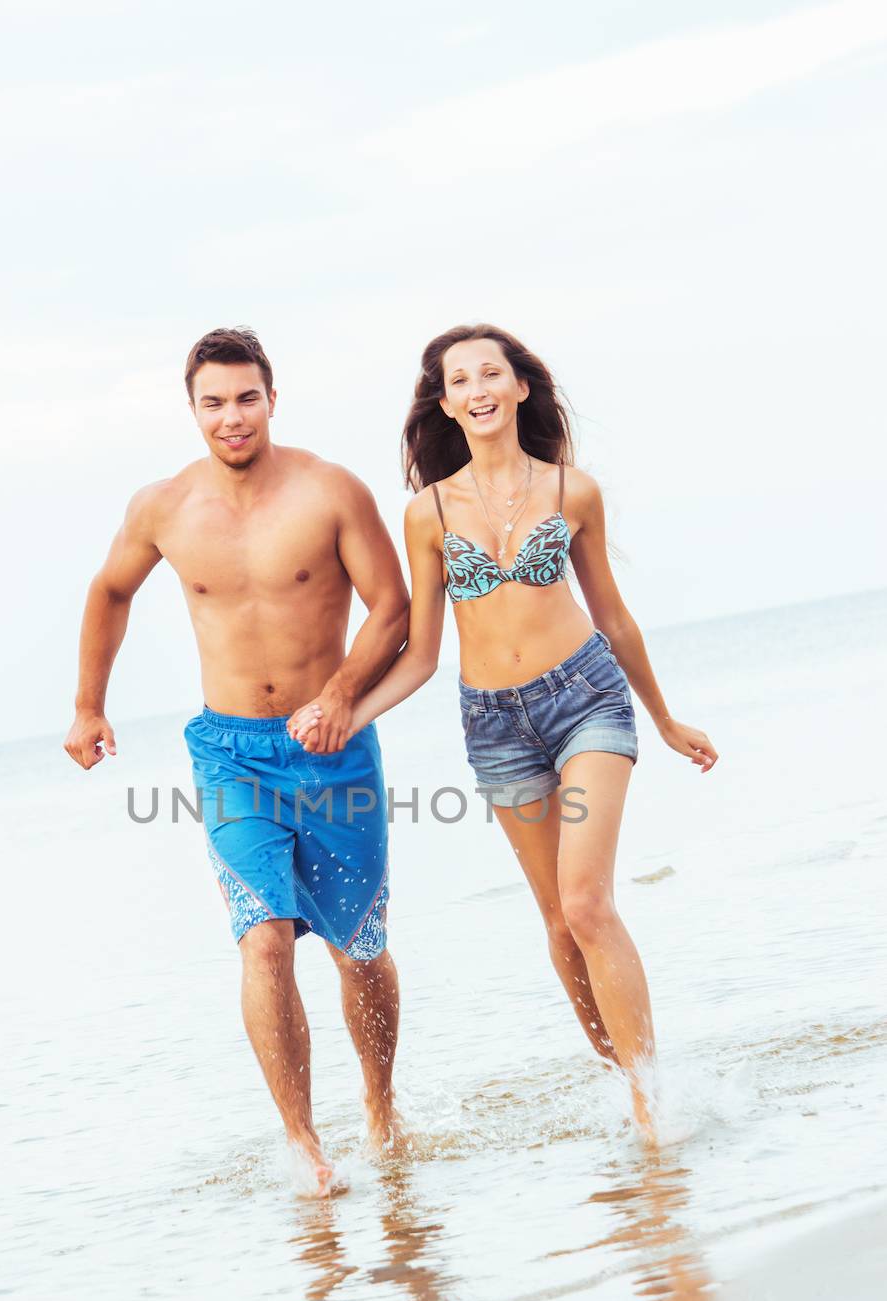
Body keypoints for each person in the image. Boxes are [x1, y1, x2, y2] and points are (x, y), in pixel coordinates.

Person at [289, 323, 718, 1137]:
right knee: (557, 921)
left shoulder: (572, 491)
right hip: (495, 725)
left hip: (585, 698)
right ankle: (618, 1078)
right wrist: (349, 713)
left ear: (520, 387)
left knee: (587, 903)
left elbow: (613, 618)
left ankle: (650, 1102)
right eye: (461, 381)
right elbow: (419, 656)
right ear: (445, 404)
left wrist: (663, 719)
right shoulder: (427, 513)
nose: (479, 390)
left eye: (492, 373)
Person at [64, 327, 410, 1193]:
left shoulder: (330, 490)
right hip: (231, 754)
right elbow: (110, 590)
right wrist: (87, 704)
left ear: (272, 397)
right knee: (262, 944)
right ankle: (304, 1146)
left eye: (245, 397)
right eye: (213, 402)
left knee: (358, 949)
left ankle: (379, 1102)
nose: (231, 416)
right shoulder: (164, 507)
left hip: (332, 747)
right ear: (192, 409)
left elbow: (392, 606)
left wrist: (338, 694)